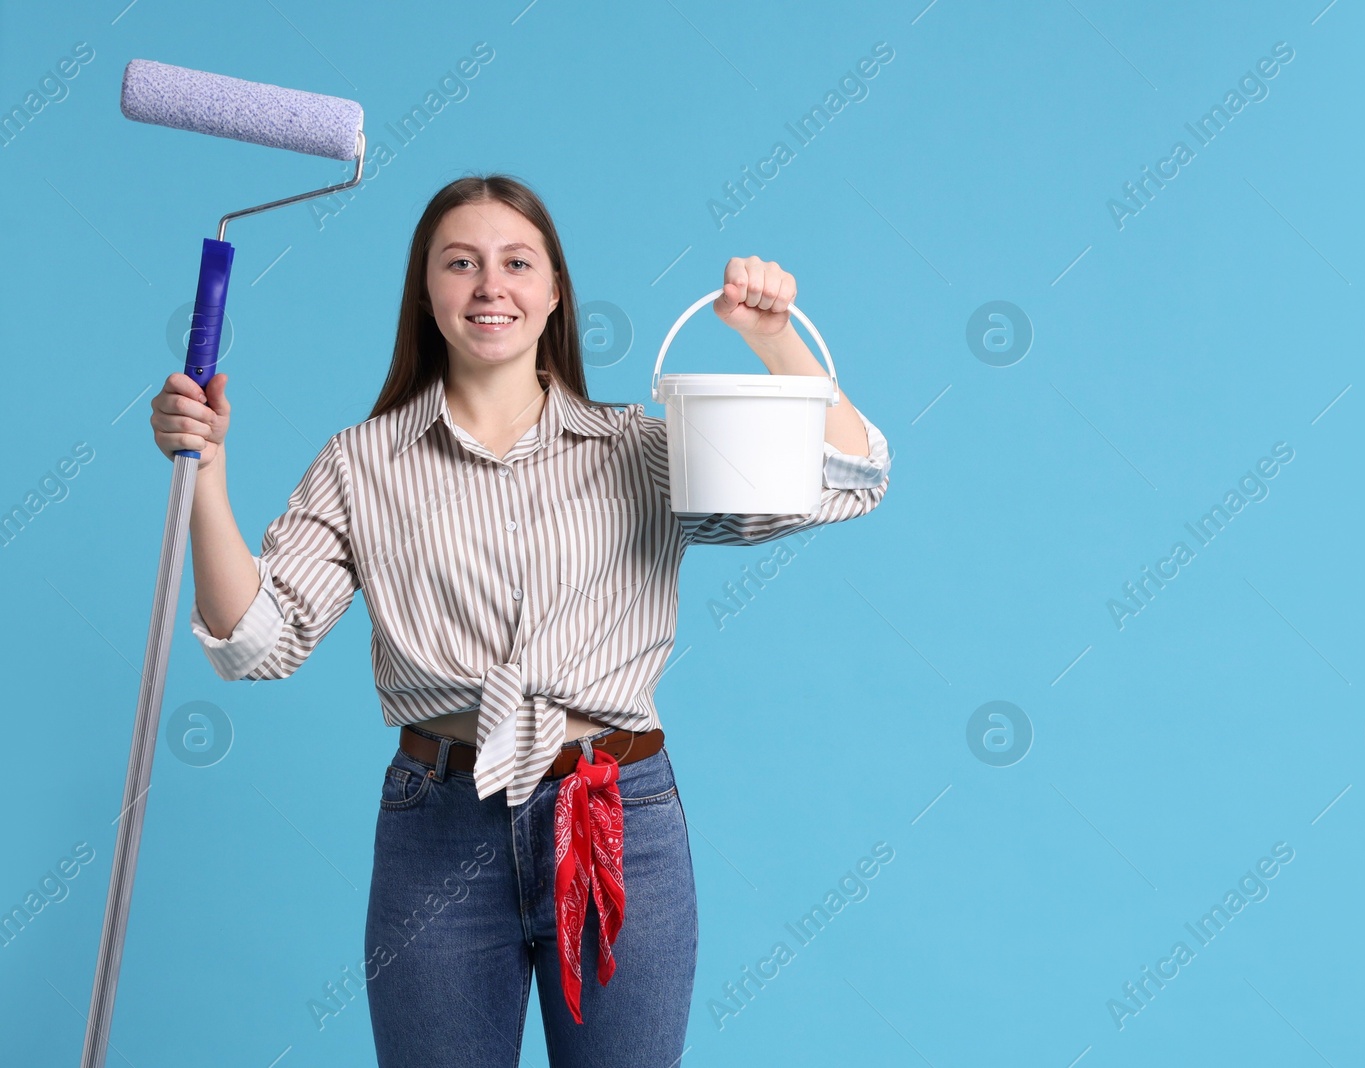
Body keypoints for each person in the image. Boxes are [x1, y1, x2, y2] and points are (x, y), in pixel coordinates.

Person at [149, 173, 891, 1067]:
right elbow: (256, 643)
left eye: (516, 263)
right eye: (460, 263)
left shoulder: (645, 450)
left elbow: (848, 480)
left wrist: (771, 341)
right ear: (428, 294)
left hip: (617, 818)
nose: (489, 284)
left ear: (553, 295)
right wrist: (210, 473)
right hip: (439, 827)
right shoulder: (361, 463)